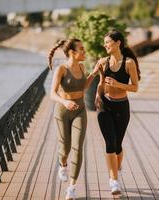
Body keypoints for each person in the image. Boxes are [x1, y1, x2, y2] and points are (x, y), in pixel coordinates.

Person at [48, 38, 99, 200]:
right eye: (81, 49)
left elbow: (83, 87)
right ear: (72, 52)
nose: (84, 51)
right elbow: (52, 93)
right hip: (62, 111)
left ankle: (72, 187)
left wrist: (94, 73)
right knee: (65, 149)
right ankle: (62, 164)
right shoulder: (61, 69)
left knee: (77, 148)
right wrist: (65, 101)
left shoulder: (82, 66)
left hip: (80, 110)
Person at [94, 30, 140, 195]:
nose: (105, 45)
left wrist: (117, 84)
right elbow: (100, 83)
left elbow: (135, 87)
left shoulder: (129, 63)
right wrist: (97, 95)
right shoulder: (102, 61)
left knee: (118, 145)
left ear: (118, 43)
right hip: (104, 105)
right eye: (105, 42)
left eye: (108, 42)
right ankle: (114, 181)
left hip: (122, 107)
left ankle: (116, 166)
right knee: (110, 143)